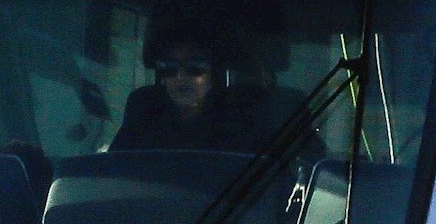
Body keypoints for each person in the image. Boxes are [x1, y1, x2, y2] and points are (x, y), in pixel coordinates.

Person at [110, 17, 298, 155]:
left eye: (195, 67)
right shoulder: (144, 114)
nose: (181, 77)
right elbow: (114, 175)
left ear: (214, 73)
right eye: (169, 67)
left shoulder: (241, 122)